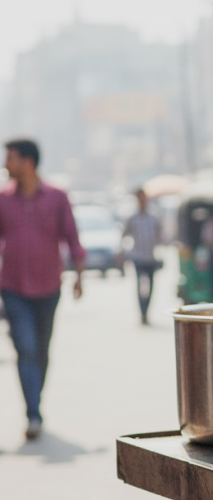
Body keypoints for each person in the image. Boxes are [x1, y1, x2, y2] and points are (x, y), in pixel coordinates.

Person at [0, 138, 86, 440]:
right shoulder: (3, 198)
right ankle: (33, 414)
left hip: (49, 286)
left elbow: (72, 237)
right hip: (12, 287)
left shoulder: (57, 197)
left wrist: (79, 276)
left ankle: (35, 402)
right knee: (25, 349)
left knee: (41, 350)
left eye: (10, 158)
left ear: (28, 162)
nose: (5, 163)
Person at [122, 188, 162, 325]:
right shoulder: (132, 218)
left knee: (150, 286)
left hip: (150, 257)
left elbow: (160, 235)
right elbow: (124, 234)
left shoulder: (153, 217)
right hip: (138, 257)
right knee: (140, 286)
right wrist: (122, 252)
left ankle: (147, 311)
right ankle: (142, 313)